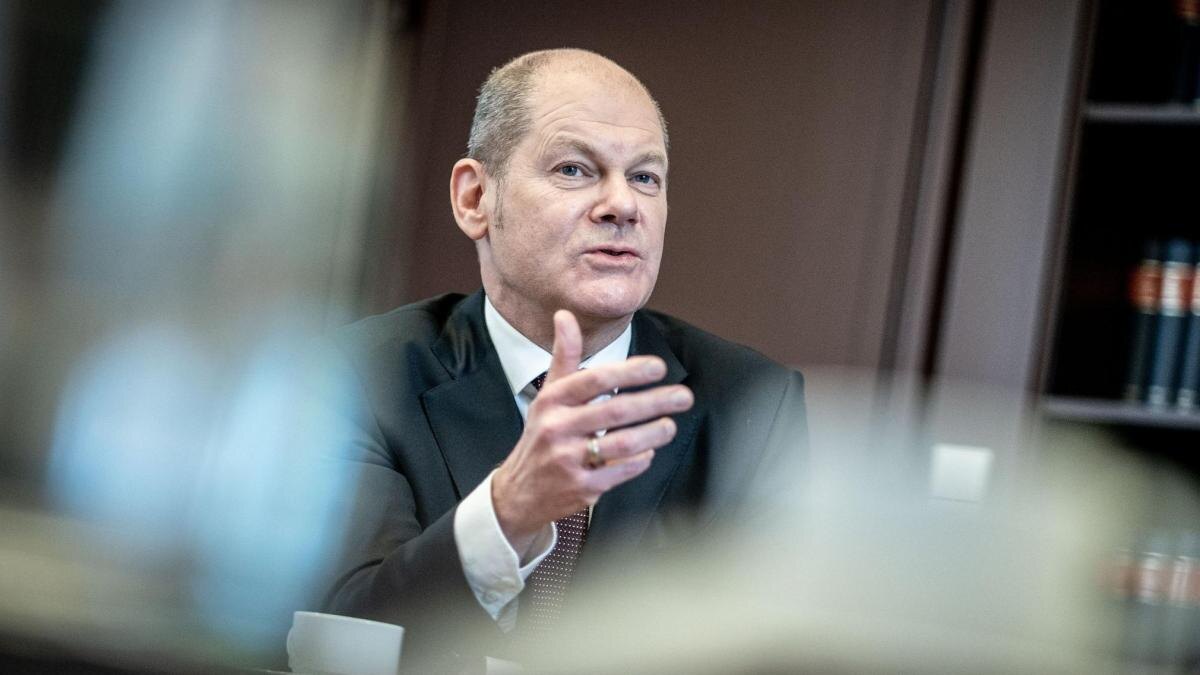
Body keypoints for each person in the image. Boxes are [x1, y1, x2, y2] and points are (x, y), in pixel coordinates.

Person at [322, 48, 807, 670]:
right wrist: (507, 513)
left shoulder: (751, 402)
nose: (622, 205)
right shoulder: (359, 376)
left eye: (645, 177)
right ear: (475, 198)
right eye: (575, 169)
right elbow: (344, 628)